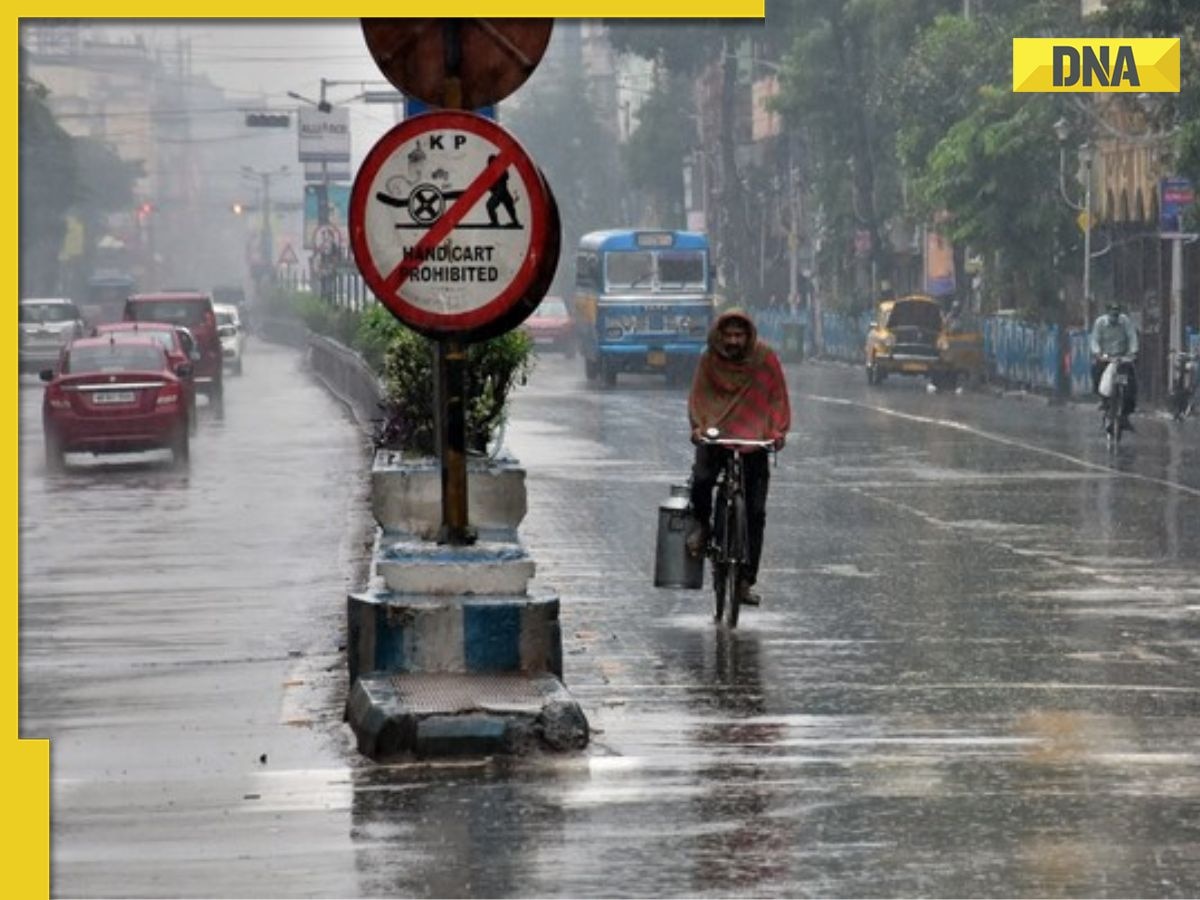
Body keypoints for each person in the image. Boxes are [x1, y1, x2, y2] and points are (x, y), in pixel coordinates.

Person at [685, 308, 791, 607]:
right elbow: (699, 398)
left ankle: (745, 580)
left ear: (748, 336)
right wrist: (699, 427)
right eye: (729, 335)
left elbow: (777, 397)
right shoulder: (709, 361)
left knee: (755, 512)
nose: (734, 341)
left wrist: (777, 430)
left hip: (754, 439)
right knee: (703, 478)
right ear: (720, 336)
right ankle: (702, 526)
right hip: (717, 436)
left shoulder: (764, 359)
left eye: (739, 335)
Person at [1090, 301, 1139, 429]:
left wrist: (1133, 352)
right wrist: (1098, 353)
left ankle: (1126, 413)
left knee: (1131, 382)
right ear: (1107, 313)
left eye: (1116, 314)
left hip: (1122, 358)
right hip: (1106, 358)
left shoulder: (1125, 322)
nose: (1114, 317)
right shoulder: (1100, 323)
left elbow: (1132, 337)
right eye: (1112, 314)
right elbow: (1095, 340)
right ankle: (1102, 399)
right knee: (1096, 371)